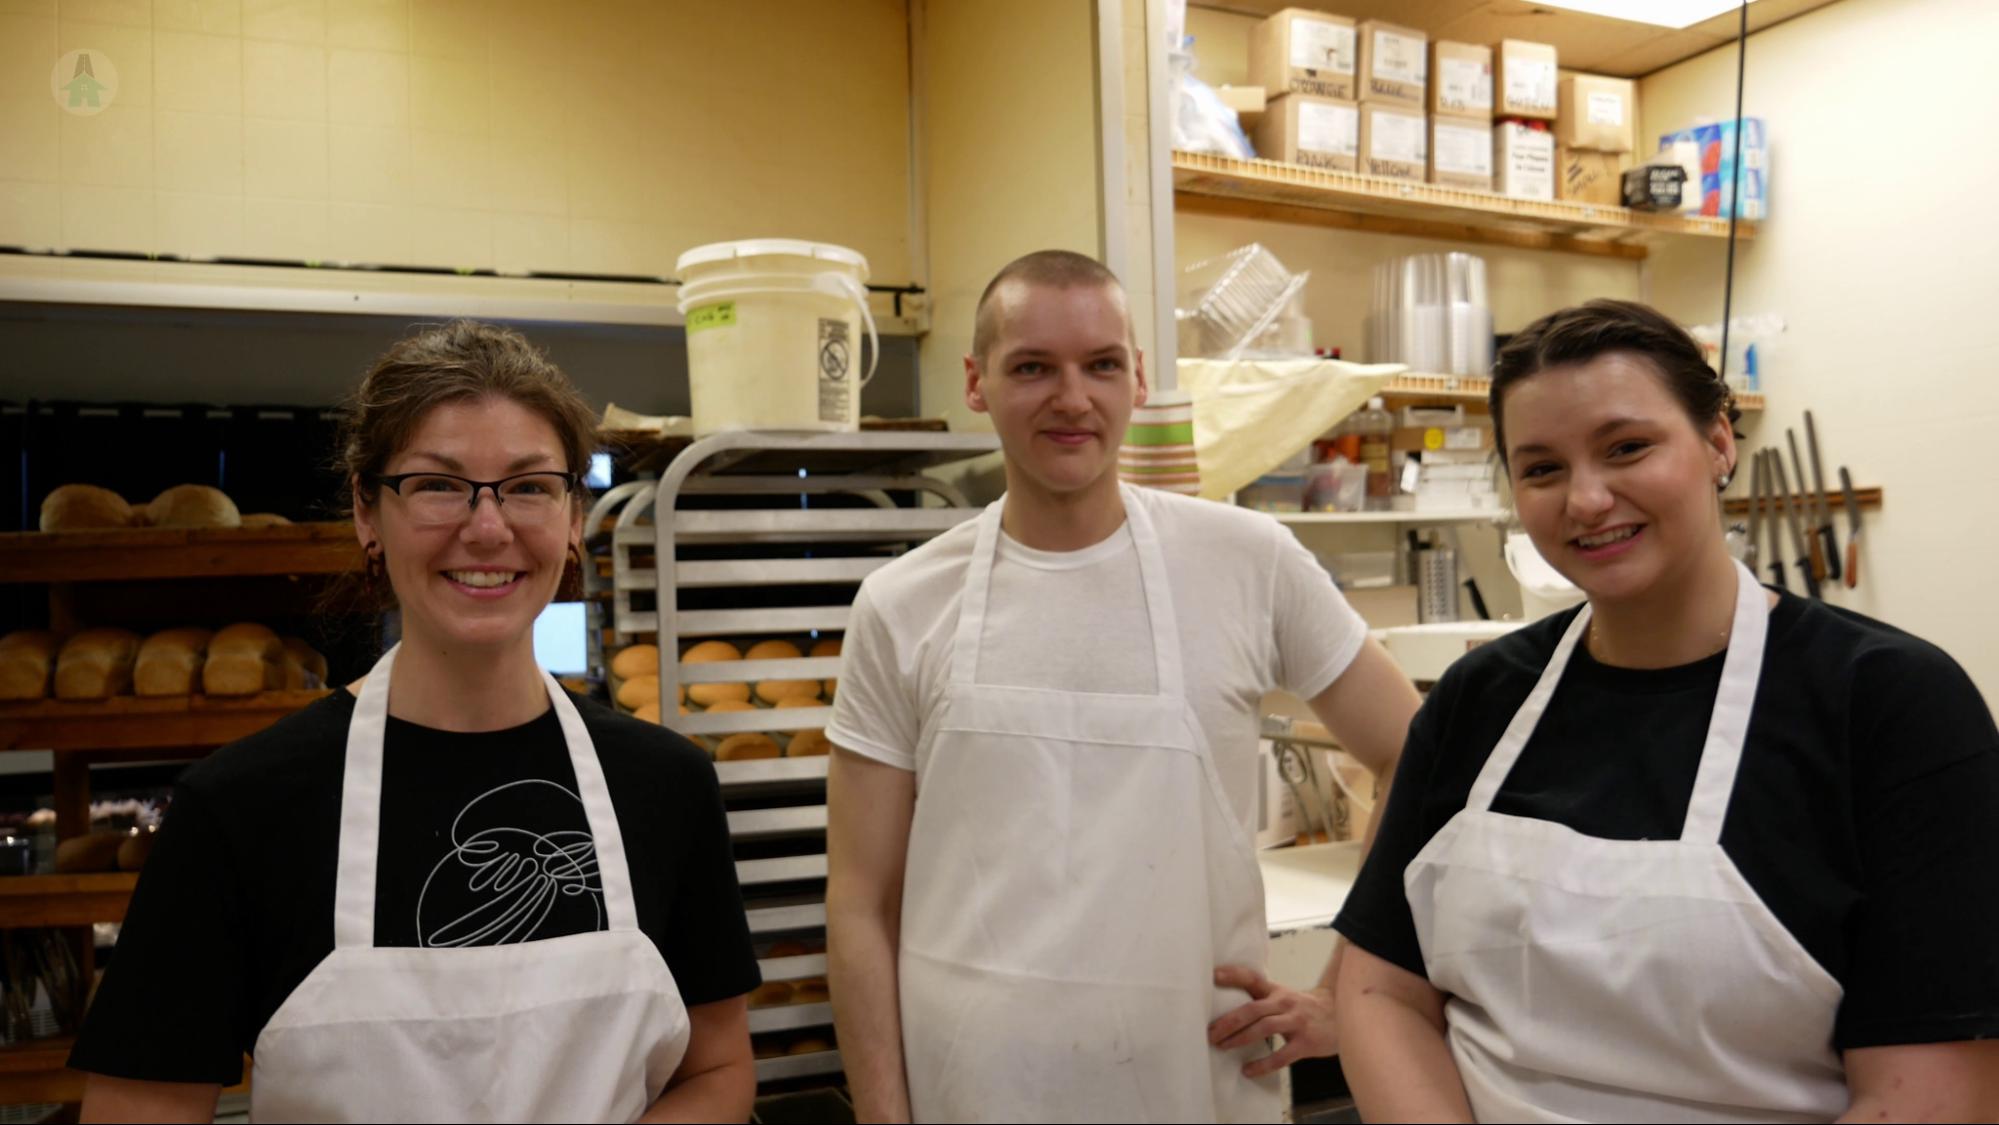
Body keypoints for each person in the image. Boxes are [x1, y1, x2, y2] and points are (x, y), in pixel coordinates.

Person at [70, 321, 761, 1123]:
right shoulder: (241, 807)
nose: (488, 526)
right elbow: (137, 1110)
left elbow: (717, 1067)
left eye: (530, 484)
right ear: (368, 512)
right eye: (438, 484)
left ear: (574, 516)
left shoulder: (665, 784)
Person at [1333, 299, 1999, 1122]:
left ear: (1718, 440)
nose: (1584, 498)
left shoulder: (1891, 705)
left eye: (1626, 448)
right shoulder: (1478, 699)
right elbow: (1379, 989)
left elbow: (1934, 1095)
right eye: (1540, 468)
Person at [824, 250, 1421, 1123]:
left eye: (1101, 364)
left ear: (1137, 378)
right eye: (1032, 366)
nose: (1072, 398)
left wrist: (1346, 994)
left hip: (1196, 1078)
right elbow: (860, 901)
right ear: (976, 381)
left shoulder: (1247, 562)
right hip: (972, 1085)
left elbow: (1418, 754)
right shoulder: (902, 602)